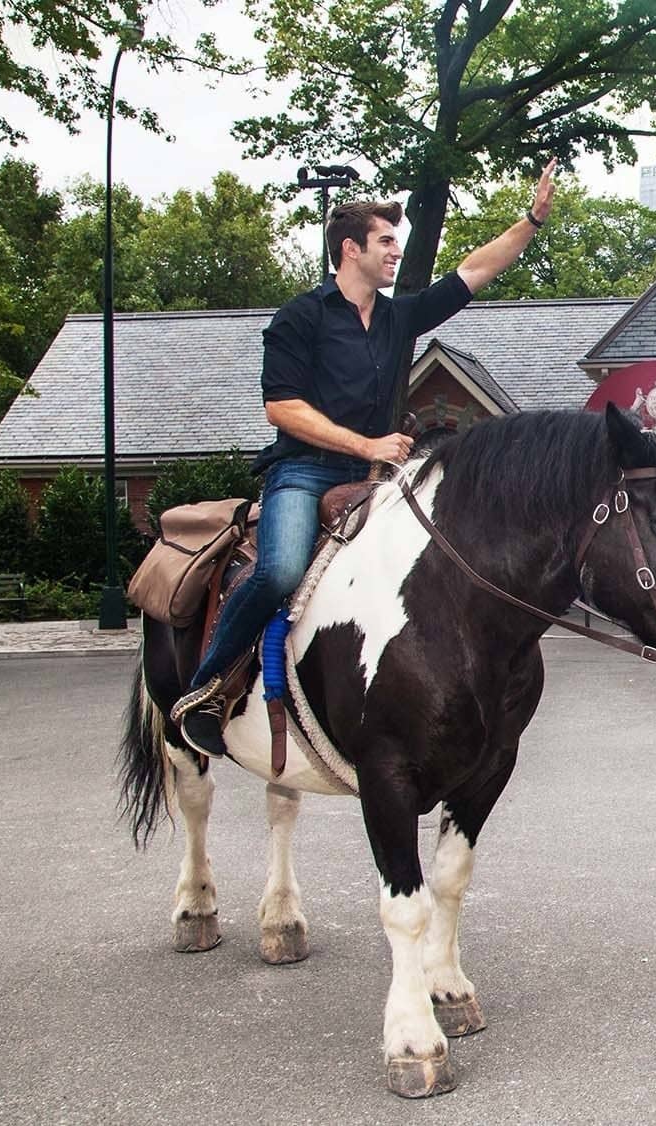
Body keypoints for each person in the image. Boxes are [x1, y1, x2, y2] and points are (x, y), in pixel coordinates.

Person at [170, 161, 560, 755]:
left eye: (397, 244)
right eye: (385, 242)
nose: (395, 253)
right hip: (305, 472)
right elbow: (282, 408)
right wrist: (366, 445)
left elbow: (474, 271)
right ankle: (207, 690)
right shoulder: (300, 317)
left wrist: (530, 220)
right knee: (277, 572)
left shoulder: (396, 316)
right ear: (350, 249)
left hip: (379, 478)